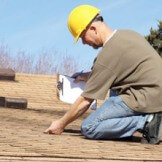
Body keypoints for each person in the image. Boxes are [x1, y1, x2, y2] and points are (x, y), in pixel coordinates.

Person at [44, 5, 162, 144]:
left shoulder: (107, 55)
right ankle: (127, 129)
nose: (83, 42)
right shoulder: (128, 35)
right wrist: (88, 76)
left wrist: (61, 124)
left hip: (147, 98)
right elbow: (117, 70)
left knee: (90, 127)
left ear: (93, 29)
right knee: (114, 86)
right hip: (155, 93)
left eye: (82, 36)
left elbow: (85, 100)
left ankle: (147, 122)